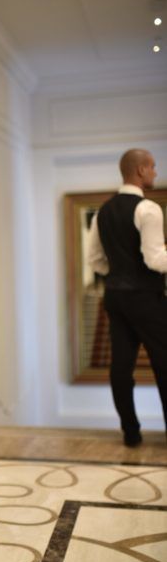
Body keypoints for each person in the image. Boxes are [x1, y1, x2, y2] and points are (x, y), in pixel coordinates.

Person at [88, 148, 167, 446]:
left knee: (121, 366)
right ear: (141, 170)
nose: (156, 172)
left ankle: (131, 434)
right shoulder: (148, 209)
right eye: (153, 166)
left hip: (114, 297)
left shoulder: (102, 212)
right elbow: (155, 259)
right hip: (146, 298)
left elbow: (95, 260)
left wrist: (119, 273)